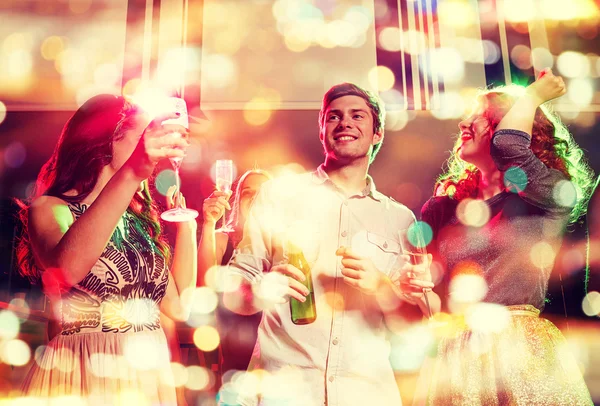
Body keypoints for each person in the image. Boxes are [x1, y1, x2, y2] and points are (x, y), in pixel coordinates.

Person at [222, 83, 434, 406]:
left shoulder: (401, 219)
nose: (344, 123)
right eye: (333, 117)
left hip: (366, 393)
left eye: (357, 116)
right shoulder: (279, 196)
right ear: (322, 131)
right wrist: (260, 288)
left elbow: (412, 324)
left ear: (377, 134)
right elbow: (231, 292)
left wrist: (381, 287)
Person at [417, 70, 594, 404]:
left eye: (480, 117)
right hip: (458, 354)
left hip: (521, 353)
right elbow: (434, 304)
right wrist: (413, 291)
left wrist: (531, 97)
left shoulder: (546, 193)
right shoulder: (442, 209)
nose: (462, 124)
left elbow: (509, 147)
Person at [15, 94, 197, 404]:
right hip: (87, 367)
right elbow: (68, 269)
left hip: (145, 369)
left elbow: (178, 308)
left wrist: (188, 228)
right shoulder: (52, 208)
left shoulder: (137, 222)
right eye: (141, 136)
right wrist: (132, 173)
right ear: (106, 141)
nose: (148, 147)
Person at [198, 169, 272, 377]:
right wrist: (209, 223)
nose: (256, 198)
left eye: (264, 192)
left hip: (275, 350)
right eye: (248, 193)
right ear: (238, 201)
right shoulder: (223, 238)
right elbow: (202, 285)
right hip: (235, 350)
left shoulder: (284, 243)